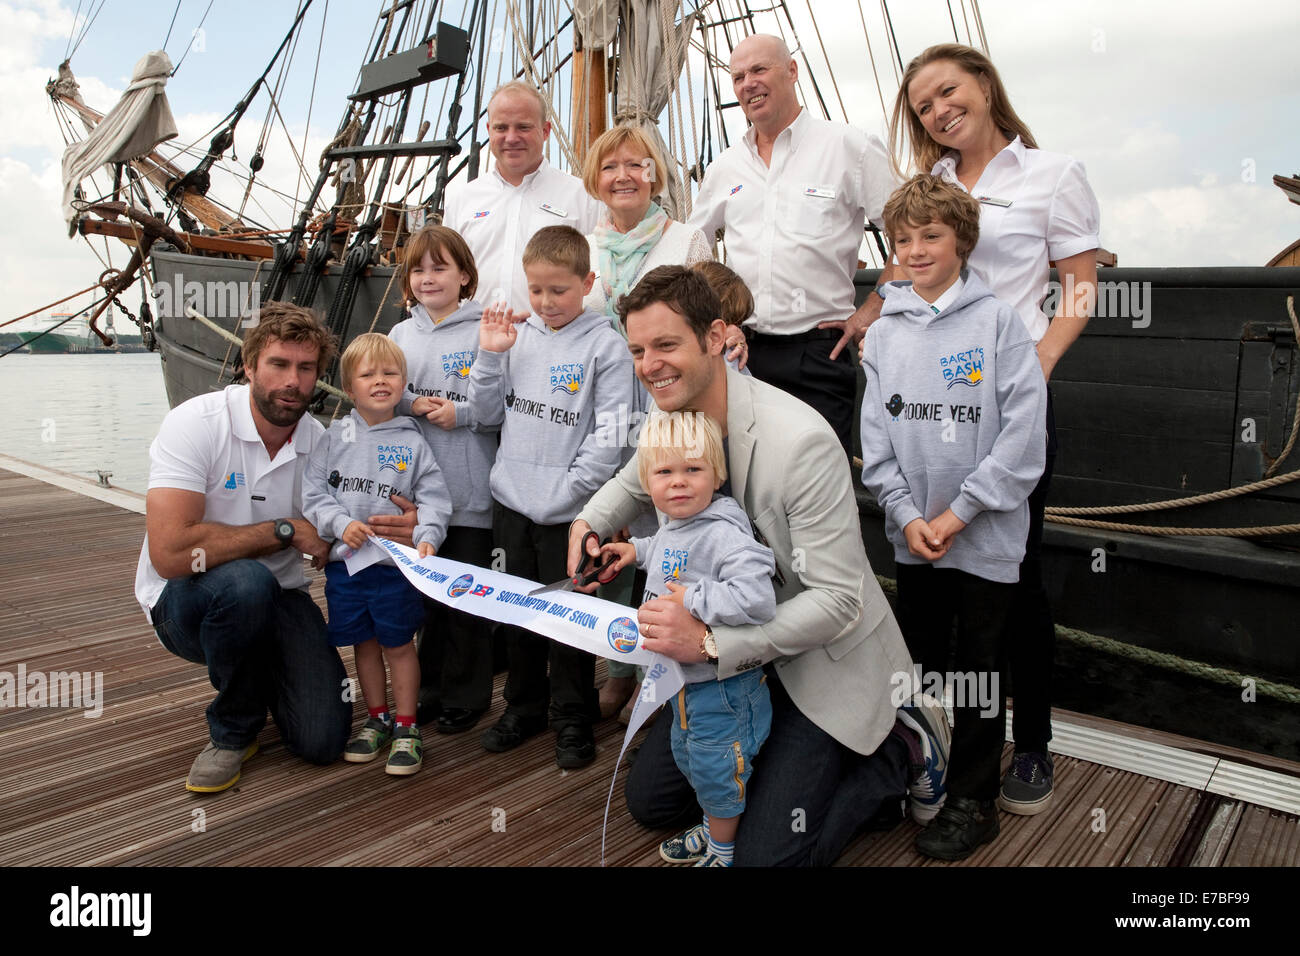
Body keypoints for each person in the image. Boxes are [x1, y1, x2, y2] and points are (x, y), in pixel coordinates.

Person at [571, 266, 951, 866]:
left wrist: (714, 644)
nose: (650, 365)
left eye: (666, 345)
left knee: (763, 858)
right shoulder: (670, 417)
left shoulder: (801, 441)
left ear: (716, 335)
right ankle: (770, 772)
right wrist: (588, 522)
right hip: (732, 659)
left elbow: (838, 601)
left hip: (814, 658)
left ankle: (896, 755)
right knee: (651, 803)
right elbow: (633, 480)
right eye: (638, 350)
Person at [892, 43, 1099, 814]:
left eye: (948, 92)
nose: (939, 111)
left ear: (983, 85)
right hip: (934, 411)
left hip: (1010, 407)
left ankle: (1034, 745)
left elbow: (1080, 285)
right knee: (940, 581)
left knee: (1016, 580)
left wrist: (1035, 366)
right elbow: (904, 270)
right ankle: (943, 743)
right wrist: (866, 316)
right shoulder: (932, 187)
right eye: (923, 107)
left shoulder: (1051, 175)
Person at [136, 303, 410, 793]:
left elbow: (337, 531)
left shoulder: (320, 442)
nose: (293, 381)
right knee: (246, 582)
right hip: (187, 603)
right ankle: (233, 731)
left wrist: (402, 524)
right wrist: (282, 529)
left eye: (306, 369)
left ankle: (260, 674)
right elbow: (171, 553)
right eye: (279, 365)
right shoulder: (195, 424)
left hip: (280, 598)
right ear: (249, 366)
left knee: (323, 740)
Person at [860, 174, 1046, 859]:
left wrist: (962, 511)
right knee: (919, 666)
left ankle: (972, 797)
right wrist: (909, 516)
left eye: (930, 236)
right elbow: (875, 444)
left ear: (962, 241)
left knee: (980, 670)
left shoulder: (1000, 324)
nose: (915, 249)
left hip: (983, 540)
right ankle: (917, 775)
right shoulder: (883, 335)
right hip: (917, 540)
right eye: (903, 239)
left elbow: (1023, 440)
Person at [466, 225, 635, 768]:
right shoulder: (517, 338)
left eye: (558, 290)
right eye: (535, 290)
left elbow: (610, 436)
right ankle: (522, 706)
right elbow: (488, 416)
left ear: (587, 282)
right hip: (512, 504)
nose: (545, 302)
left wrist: (571, 494)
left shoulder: (605, 347)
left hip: (570, 515)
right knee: (518, 614)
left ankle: (571, 715)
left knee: (568, 616)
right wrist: (490, 356)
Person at [686, 33, 900, 454]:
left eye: (759, 70)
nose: (748, 83)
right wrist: (719, 317)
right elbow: (694, 245)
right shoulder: (725, 168)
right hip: (740, 352)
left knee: (817, 484)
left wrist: (876, 302)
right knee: (744, 486)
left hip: (819, 352)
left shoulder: (848, 148)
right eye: (738, 76)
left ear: (792, 71)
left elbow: (908, 233)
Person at [598, 410, 777, 867]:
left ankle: (723, 849)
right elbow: (666, 549)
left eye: (693, 470)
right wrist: (635, 550)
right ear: (647, 479)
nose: (678, 483)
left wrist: (694, 598)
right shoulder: (679, 523)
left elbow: (757, 596)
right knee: (692, 760)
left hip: (721, 691)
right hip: (682, 687)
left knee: (719, 769)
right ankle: (713, 824)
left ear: (716, 473)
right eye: (665, 472)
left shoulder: (724, 533)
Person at [301, 333, 452, 775]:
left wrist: (428, 534)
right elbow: (313, 492)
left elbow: (435, 497)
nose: (380, 381)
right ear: (349, 388)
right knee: (364, 645)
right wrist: (338, 524)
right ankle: (377, 717)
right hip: (347, 566)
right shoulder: (334, 438)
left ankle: (408, 725)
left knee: (399, 645)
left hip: (394, 569)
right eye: (367, 374)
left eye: (390, 373)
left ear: (404, 383)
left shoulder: (414, 441)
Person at [389, 225, 497, 736]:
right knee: (428, 600)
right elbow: (382, 395)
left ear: (465, 276)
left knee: (467, 600)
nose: (428, 278)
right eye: (419, 269)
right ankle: (428, 689)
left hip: (470, 492)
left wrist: (466, 413)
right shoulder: (399, 336)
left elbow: (500, 409)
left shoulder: (485, 333)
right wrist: (412, 403)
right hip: (418, 500)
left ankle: (467, 696)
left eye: (440, 268)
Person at [442, 81, 602, 313]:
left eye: (523, 127)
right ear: (489, 130)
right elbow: (447, 277)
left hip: (555, 343)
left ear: (545, 131)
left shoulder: (584, 198)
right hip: (476, 341)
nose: (511, 137)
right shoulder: (462, 201)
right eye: (501, 128)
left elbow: (599, 280)